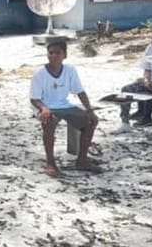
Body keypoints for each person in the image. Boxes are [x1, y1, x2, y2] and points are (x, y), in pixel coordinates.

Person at [29, 40, 102, 177]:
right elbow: (34, 98)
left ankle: (82, 159)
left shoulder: (70, 70)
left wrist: (89, 110)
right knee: (49, 122)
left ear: (65, 55)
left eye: (58, 53)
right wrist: (44, 108)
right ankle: (50, 162)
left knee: (90, 121)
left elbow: (79, 91)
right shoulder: (40, 73)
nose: (54, 56)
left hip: (64, 104)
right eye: (51, 53)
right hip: (45, 106)